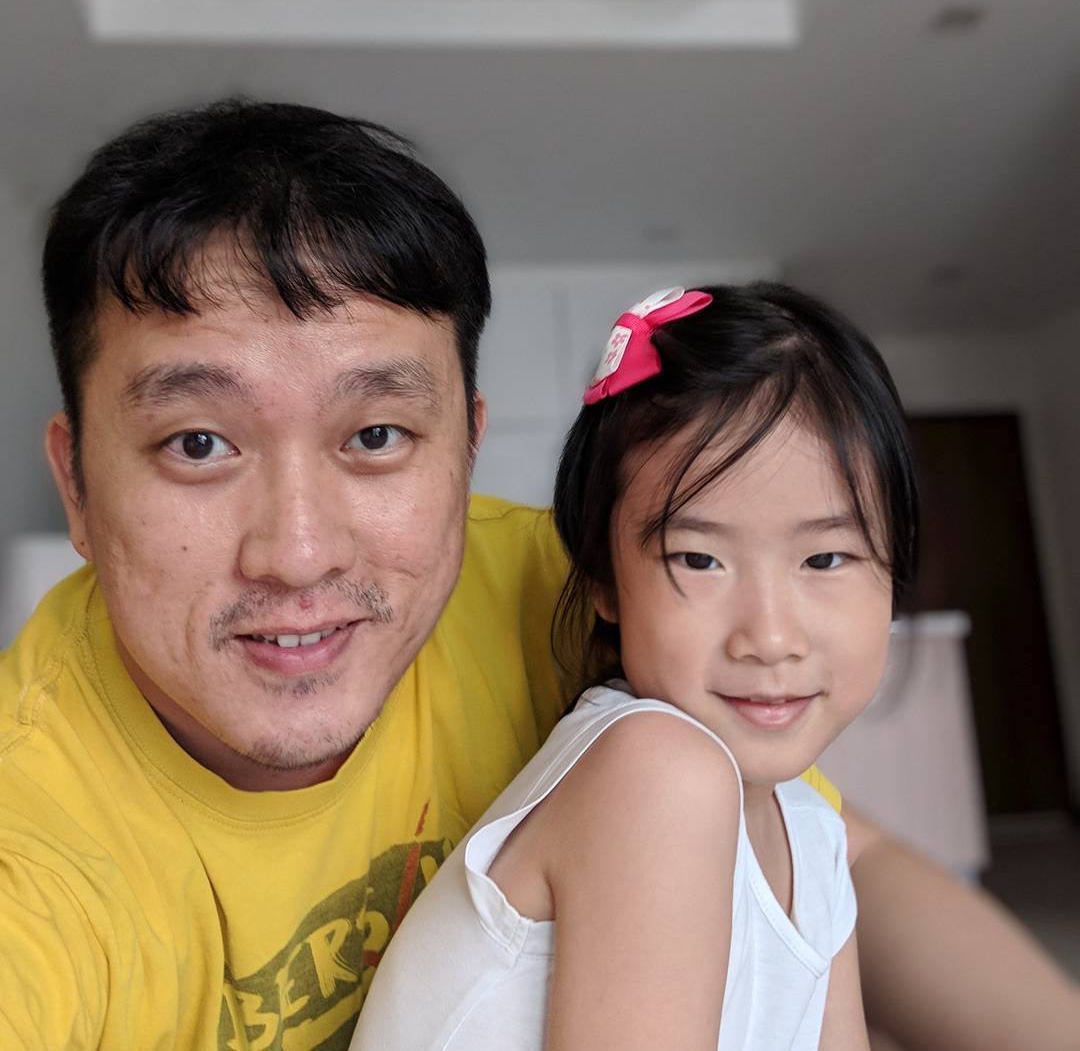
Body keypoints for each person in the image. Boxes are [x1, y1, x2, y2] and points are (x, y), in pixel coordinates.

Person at [0, 100, 1075, 1051]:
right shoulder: (32, 842)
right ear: (77, 486)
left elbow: (830, 853)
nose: (298, 551)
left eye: (375, 435)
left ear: (467, 447)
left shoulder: (550, 584)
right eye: (197, 444)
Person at [354, 282, 912, 1049]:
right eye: (699, 559)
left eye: (824, 558)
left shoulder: (813, 833)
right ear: (604, 580)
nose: (770, 636)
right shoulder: (656, 773)